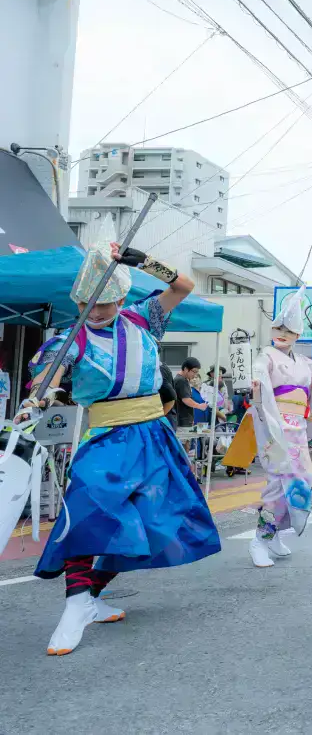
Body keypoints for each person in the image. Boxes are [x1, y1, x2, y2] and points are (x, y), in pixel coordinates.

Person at [17, 243, 221, 656]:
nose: (96, 312)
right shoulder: (69, 338)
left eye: (106, 304)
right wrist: (36, 399)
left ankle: (90, 596)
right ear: (77, 300)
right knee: (89, 509)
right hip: (106, 437)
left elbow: (183, 284)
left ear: (122, 298)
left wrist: (143, 260)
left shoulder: (143, 319)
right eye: (89, 304)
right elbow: (47, 376)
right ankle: (75, 605)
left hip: (154, 435)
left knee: (151, 524)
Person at [245, 287, 312, 568]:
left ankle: (274, 535)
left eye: (289, 329)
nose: (283, 332)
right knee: (278, 485)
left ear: (298, 335)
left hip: (297, 429)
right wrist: (254, 385)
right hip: (275, 428)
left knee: (299, 483)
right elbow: (258, 377)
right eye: (279, 327)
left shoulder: (302, 362)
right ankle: (259, 540)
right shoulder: (266, 356)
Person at [173, 357, 206, 428]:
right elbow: (186, 400)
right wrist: (199, 406)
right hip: (182, 420)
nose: (195, 375)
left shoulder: (179, 379)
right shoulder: (182, 381)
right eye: (194, 371)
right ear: (186, 369)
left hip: (181, 419)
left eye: (197, 372)